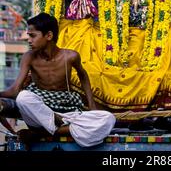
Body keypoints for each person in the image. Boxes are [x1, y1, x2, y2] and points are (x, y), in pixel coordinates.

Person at [0, 12, 115, 148]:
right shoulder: (28, 57)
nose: (28, 40)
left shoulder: (70, 56)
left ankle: (40, 133)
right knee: (23, 98)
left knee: (107, 119)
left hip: (66, 113)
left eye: (32, 35)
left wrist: (92, 107)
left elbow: (83, 76)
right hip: (41, 113)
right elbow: (15, 90)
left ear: (49, 35)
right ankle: (54, 128)